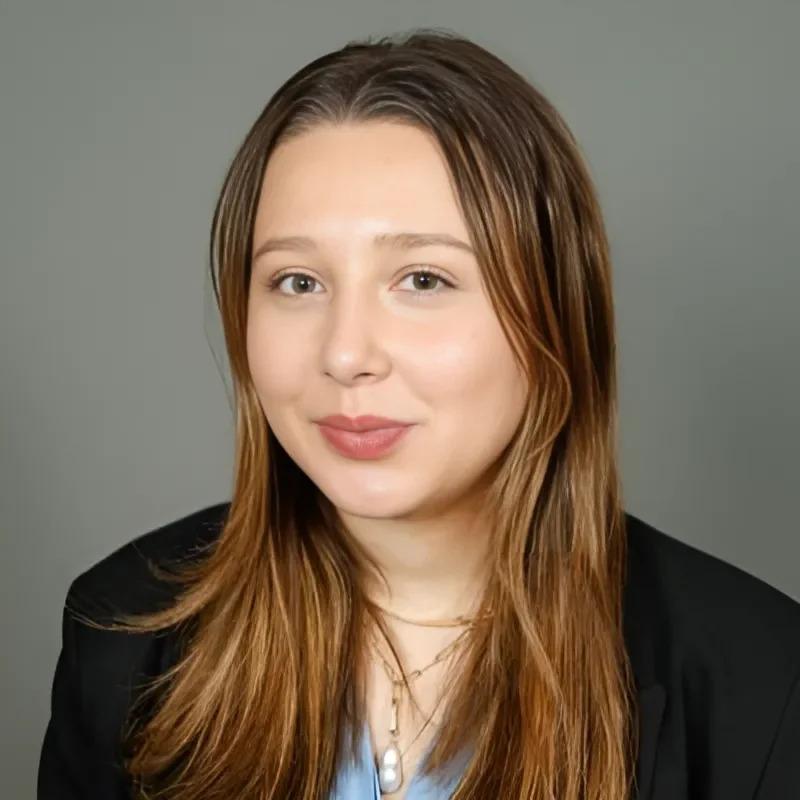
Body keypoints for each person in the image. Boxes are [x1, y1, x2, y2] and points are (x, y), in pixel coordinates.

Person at [38, 29, 800, 800]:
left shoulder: (768, 684)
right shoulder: (121, 631)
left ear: (557, 315)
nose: (345, 354)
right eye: (298, 282)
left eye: (424, 279)